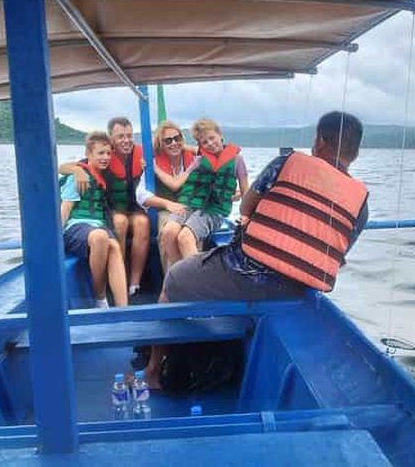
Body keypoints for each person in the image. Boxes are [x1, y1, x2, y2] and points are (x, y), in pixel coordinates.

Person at [144, 111, 369, 387]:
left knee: (174, 279)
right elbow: (337, 256)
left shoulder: (287, 163)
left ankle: (153, 372)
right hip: (296, 291)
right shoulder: (361, 204)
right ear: (355, 152)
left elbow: (247, 206)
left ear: (320, 141)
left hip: (245, 273)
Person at [61, 117, 184, 298]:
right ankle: (119, 277)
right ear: (111, 139)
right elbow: (63, 167)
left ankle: (134, 283)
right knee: (119, 222)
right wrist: (77, 171)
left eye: (129, 136)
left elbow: (175, 147)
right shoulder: (104, 155)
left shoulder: (142, 154)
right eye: (120, 137)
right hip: (114, 209)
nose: (126, 140)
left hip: (134, 208)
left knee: (142, 223)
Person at [60, 132, 127, 309]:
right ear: (89, 154)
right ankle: (100, 298)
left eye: (108, 153)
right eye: (100, 153)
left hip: (97, 226)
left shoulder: (104, 176)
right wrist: (55, 239)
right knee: (100, 237)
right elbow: (66, 208)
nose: (105, 157)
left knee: (113, 246)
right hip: (77, 227)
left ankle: (124, 308)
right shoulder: (78, 176)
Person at [166, 118, 249, 262]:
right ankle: (177, 275)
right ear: (200, 145)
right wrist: (152, 165)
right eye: (205, 142)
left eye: (212, 138)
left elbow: (246, 191)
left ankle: (196, 281)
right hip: (191, 206)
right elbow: (178, 182)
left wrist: (246, 215)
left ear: (220, 135)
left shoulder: (237, 160)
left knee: (185, 238)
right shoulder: (199, 160)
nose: (210, 144)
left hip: (213, 210)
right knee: (168, 232)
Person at [137, 120, 200, 272]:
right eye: (168, 140)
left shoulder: (194, 160)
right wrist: (167, 204)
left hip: (192, 208)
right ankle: (174, 281)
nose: (174, 143)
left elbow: (215, 152)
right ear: (161, 144)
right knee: (169, 231)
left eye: (177, 138)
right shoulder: (152, 164)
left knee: (191, 232)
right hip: (167, 210)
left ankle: (196, 280)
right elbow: (141, 195)